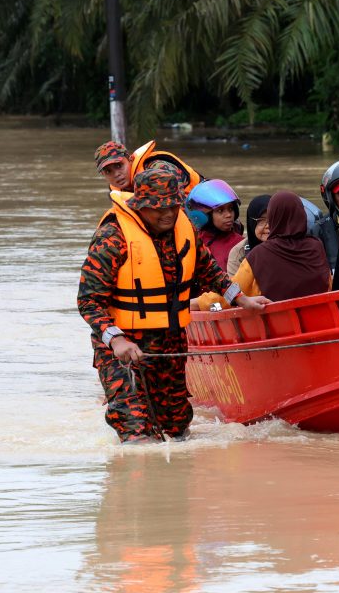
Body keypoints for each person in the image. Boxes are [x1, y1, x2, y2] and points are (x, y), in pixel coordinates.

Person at [77, 167, 269, 443]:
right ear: (141, 205)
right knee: (136, 432)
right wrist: (115, 339)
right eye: (158, 208)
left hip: (170, 344)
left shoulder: (183, 226)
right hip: (123, 348)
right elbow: (88, 300)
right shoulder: (113, 236)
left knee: (177, 430)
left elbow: (208, 270)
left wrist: (242, 299)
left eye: (172, 206)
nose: (167, 214)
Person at [242, 190, 332, 302]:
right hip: (319, 313)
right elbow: (328, 284)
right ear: (302, 215)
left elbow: (230, 292)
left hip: (276, 318)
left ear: (274, 218)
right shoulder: (316, 245)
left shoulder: (257, 255)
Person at [186, 179, 244, 273]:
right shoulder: (193, 242)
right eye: (220, 211)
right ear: (204, 216)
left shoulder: (241, 244)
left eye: (231, 209)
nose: (229, 215)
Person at [129, 139, 203, 196]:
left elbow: (178, 203)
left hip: (201, 197)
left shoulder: (159, 168)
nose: (117, 174)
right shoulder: (122, 188)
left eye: (120, 166)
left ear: (130, 161)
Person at [227, 194, 271, 275]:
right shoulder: (238, 254)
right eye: (261, 220)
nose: (268, 226)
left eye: (273, 219)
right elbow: (235, 286)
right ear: (252, 223)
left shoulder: (291, 247)